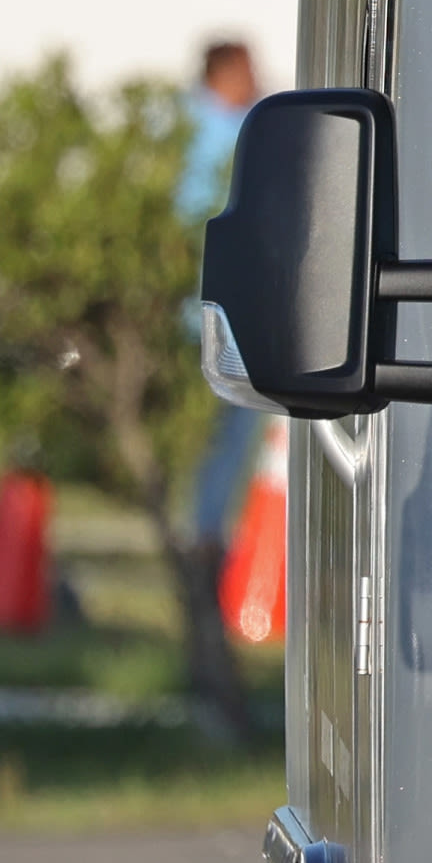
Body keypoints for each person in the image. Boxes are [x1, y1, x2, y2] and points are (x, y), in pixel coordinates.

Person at [179, 39, 268, 555]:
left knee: (205, 442)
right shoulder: (234, 135)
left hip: (182, 316)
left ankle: (204, 534)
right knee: (226, 439)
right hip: (222, 315)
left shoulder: (175, 127)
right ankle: (208, 540)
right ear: (224, 73)